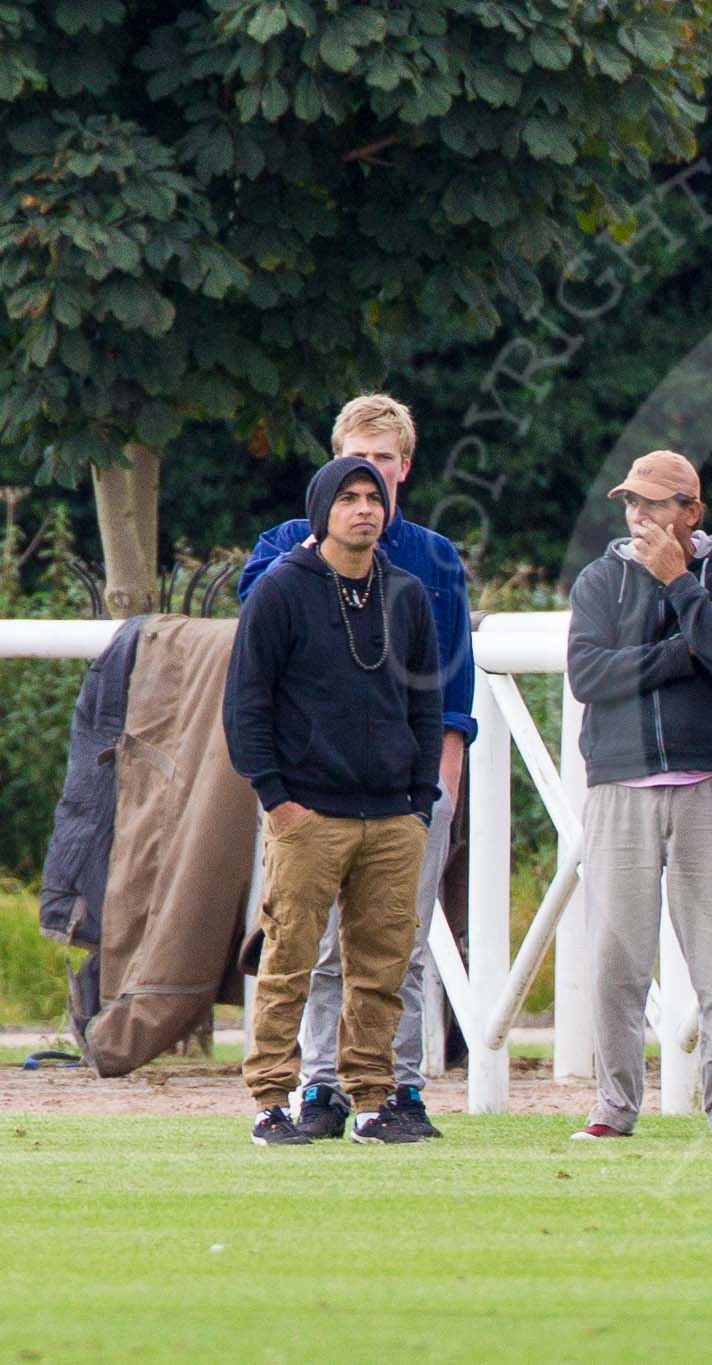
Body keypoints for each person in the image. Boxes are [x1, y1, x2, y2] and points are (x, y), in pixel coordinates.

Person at [238, 393, 474, 1140]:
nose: (367, 489)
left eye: (382, 466)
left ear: (406, 466)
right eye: (354, 468)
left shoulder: (430, 564)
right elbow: (255, 660)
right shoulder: (283, 553)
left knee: (397, 947)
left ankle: (394, 1090)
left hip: (402, 791)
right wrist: (276, 795)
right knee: (307, 948)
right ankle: (314, 1088)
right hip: (310, 791)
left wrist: (434, 787)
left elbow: (448, 684)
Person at [567, 450, 712, 1140]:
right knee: (615, 965)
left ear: (692, 512)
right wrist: (685, 647)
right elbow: (590, 676)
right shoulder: (599, 580)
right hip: (620, 784)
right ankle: (613, 1109)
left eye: (656, 504)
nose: (640, 516)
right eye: (633, 503)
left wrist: (680, 587)